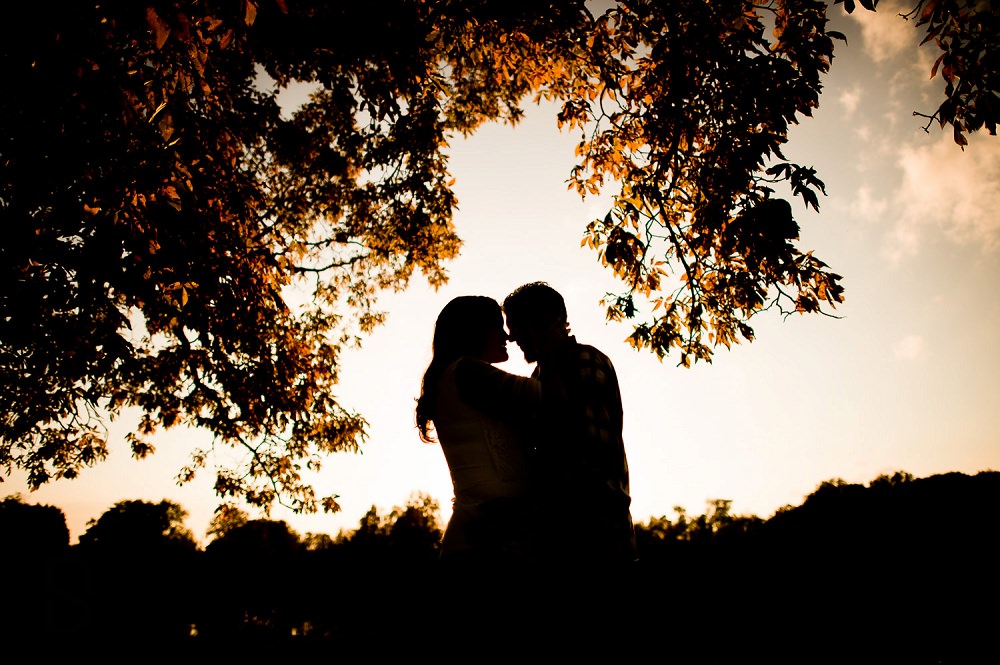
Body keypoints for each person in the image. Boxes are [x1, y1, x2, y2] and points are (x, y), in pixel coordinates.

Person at [502, 281, 637, 567]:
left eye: (519, 325)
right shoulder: (541, 376)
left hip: (594, 535)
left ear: (552, 320)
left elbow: (591, 453)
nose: (512, 337)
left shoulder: (584, 361)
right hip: (564, 535)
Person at [415, 295, 542, 569]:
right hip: (487, 545)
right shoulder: (467, 372)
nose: (507, 336)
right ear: (475, 331)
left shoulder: (455, 376)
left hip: (486, 538)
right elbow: (544, 396)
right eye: (498, 326)